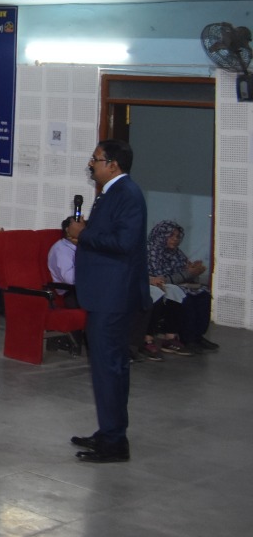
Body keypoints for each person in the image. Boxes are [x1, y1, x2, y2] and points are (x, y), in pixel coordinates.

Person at [72, 140, 148, 462]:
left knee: (110, 368)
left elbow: (123, 242)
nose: (92, 164)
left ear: (113, 164)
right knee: (107, 368)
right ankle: (109, 432)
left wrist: (82, 234)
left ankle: (115, 442)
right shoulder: (111, 193)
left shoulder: (127, 194)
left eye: (96, 159)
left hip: (113, 297)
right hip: (104, 294)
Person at [146, 219, 216, 352]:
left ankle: (197, 335)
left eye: (177, 236)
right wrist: (188, 273)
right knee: (184, 296)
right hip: (157, 286)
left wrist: (194, 271)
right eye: (171, 236)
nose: (175, 239)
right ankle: (187, 338)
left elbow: (188, 275)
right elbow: (160, 279)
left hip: (176, 284)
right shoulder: (151, 251)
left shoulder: (176, 253)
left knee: (203, 293)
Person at [49, 215, 82, 287]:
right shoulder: (61, 249)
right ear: (68, 230)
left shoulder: (80, 247)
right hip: (72, 293)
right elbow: (70, 280)